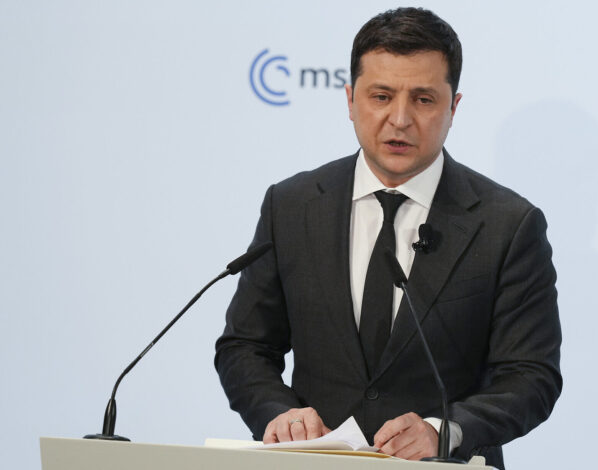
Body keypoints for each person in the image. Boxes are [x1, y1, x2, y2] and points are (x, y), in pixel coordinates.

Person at [214, 7, 562, 469]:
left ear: (453, 108)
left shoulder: (508, 225)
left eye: (423, 99)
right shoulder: (292, 206)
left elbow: (530, 376)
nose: (399, 119)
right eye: (381, 96)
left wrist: (444, 430)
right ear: (350, 100)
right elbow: (245, 347)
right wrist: (279, 414)